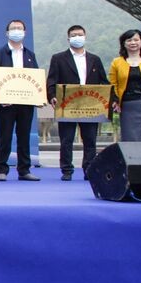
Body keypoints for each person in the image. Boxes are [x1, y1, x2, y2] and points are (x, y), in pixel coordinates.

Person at [46, 25, 109, 180]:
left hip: (91, 105)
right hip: (67, 104)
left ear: (85, 37)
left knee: (90, 139)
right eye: (74, 35)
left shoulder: (95, 59)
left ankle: (89, 169)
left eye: (80, 34)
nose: (77, 37)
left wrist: (108, 99)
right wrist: (52, 96)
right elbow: (51, 80)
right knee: (66, 139)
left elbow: (104, 81)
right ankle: (67, 170)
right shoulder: (58, 58)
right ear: (68, 38)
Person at [0, 19, 40, 181]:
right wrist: (0, 99)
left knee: (24, 136)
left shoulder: (30, 55)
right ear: (7, 33)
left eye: (19, 28)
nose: (16, 31)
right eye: (13, 28)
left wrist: (38, 97)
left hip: (26, 102)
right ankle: (1, 169)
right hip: (6, 103)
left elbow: (36, 78)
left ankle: (24, 170)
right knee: (5, 136)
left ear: (25, 32)